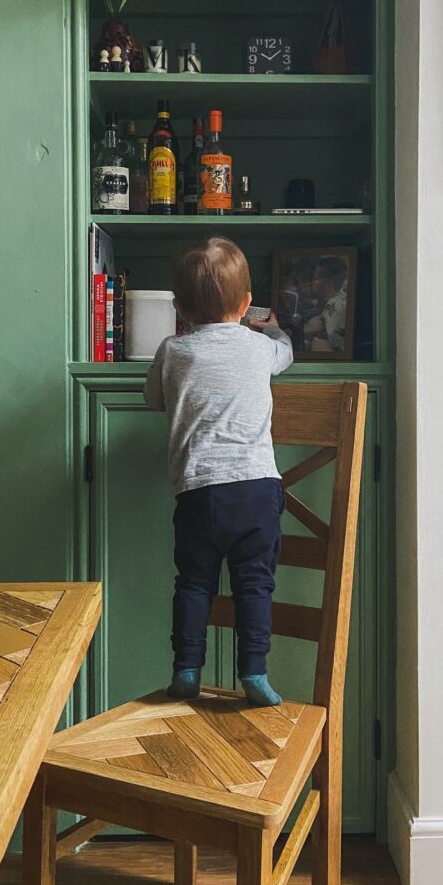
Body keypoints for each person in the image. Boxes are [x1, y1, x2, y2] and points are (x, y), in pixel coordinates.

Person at [144, 237, 293, 706]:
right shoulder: (257, 347)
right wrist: (273, 329)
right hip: (255, 490)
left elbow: (154, 399)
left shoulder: (173, 350)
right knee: (255, 584)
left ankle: (186, 669)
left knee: (193, 583)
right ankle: (254, 672)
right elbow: (286, 353)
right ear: (247, 304)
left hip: (198, 492)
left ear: (178, 308)